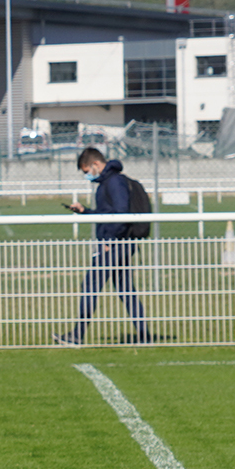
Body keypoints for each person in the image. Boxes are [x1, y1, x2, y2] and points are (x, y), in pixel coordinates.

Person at [53, 148, 150, 346]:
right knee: (125, 290)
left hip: (114, 245)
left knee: (90, 286)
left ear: (96, 164)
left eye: (87, 170)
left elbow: (121, 214)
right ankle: (144, 336)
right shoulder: (109, 182)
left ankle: (77, 335)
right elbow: (107, 214)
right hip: (119, 244)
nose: (87, 175)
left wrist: (110, 239)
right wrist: (85, 212)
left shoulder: (114, 182)